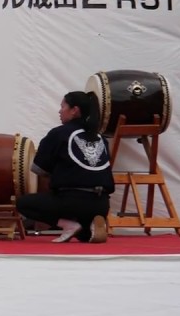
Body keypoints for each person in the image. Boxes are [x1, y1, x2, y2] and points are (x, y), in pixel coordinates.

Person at [16, 91, 113, 243]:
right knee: (83, 236)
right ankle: (90, 225)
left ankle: (68, 225)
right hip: (102, 203)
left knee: (23, 204)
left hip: (71, 202)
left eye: (63, 106)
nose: (60, 111)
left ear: (74, 110)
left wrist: (61, 172)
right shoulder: (101, 138)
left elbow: (38, 169)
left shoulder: (59, 134)